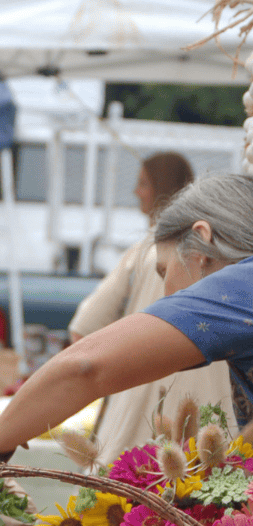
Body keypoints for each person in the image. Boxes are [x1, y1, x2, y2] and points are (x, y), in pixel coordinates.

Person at [0, 171, 253, 526]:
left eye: (164, 270)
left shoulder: (245, 286)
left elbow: (85, 366)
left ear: (202, 244)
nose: (163, 291)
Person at [69, 153, 234, 463]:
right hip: (216, 405)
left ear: (162, 187)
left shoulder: (142, 249)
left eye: (143, 183)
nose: (136, 192)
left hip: (142, 391)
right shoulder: (227, 254)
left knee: (124, 489)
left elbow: (84, 327)